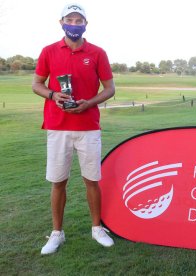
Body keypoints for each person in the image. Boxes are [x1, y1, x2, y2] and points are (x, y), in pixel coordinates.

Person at [32, 3, 116, 255]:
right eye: (70, 20)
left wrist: (88, 103)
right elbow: (36, 84)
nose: (75, 24)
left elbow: (110, 88)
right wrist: (52, 95)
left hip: (88, 126)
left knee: (92, 180)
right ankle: (57, 233)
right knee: (58, 182)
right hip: (58, 127)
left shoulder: (98, 52)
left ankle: (96, 228)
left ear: (85, 24)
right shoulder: (48, 51)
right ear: (61, 23)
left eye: (79, 21)